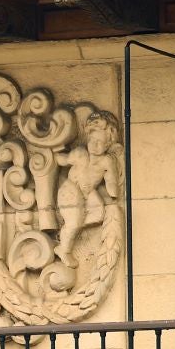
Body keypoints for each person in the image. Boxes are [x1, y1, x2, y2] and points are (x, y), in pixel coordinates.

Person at [54, 111, 121, 266]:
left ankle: (69, 228)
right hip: (70, 188)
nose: (94, 145)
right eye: (91, 140)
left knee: (99, 213)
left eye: (100, 142)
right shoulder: (80, 153)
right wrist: (52, 154)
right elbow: (62, 160)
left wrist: (113, 189)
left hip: (87, 193)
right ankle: (63, 249)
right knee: (75, 222)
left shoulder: (106, 162)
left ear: (108, 144)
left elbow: (112, 186)